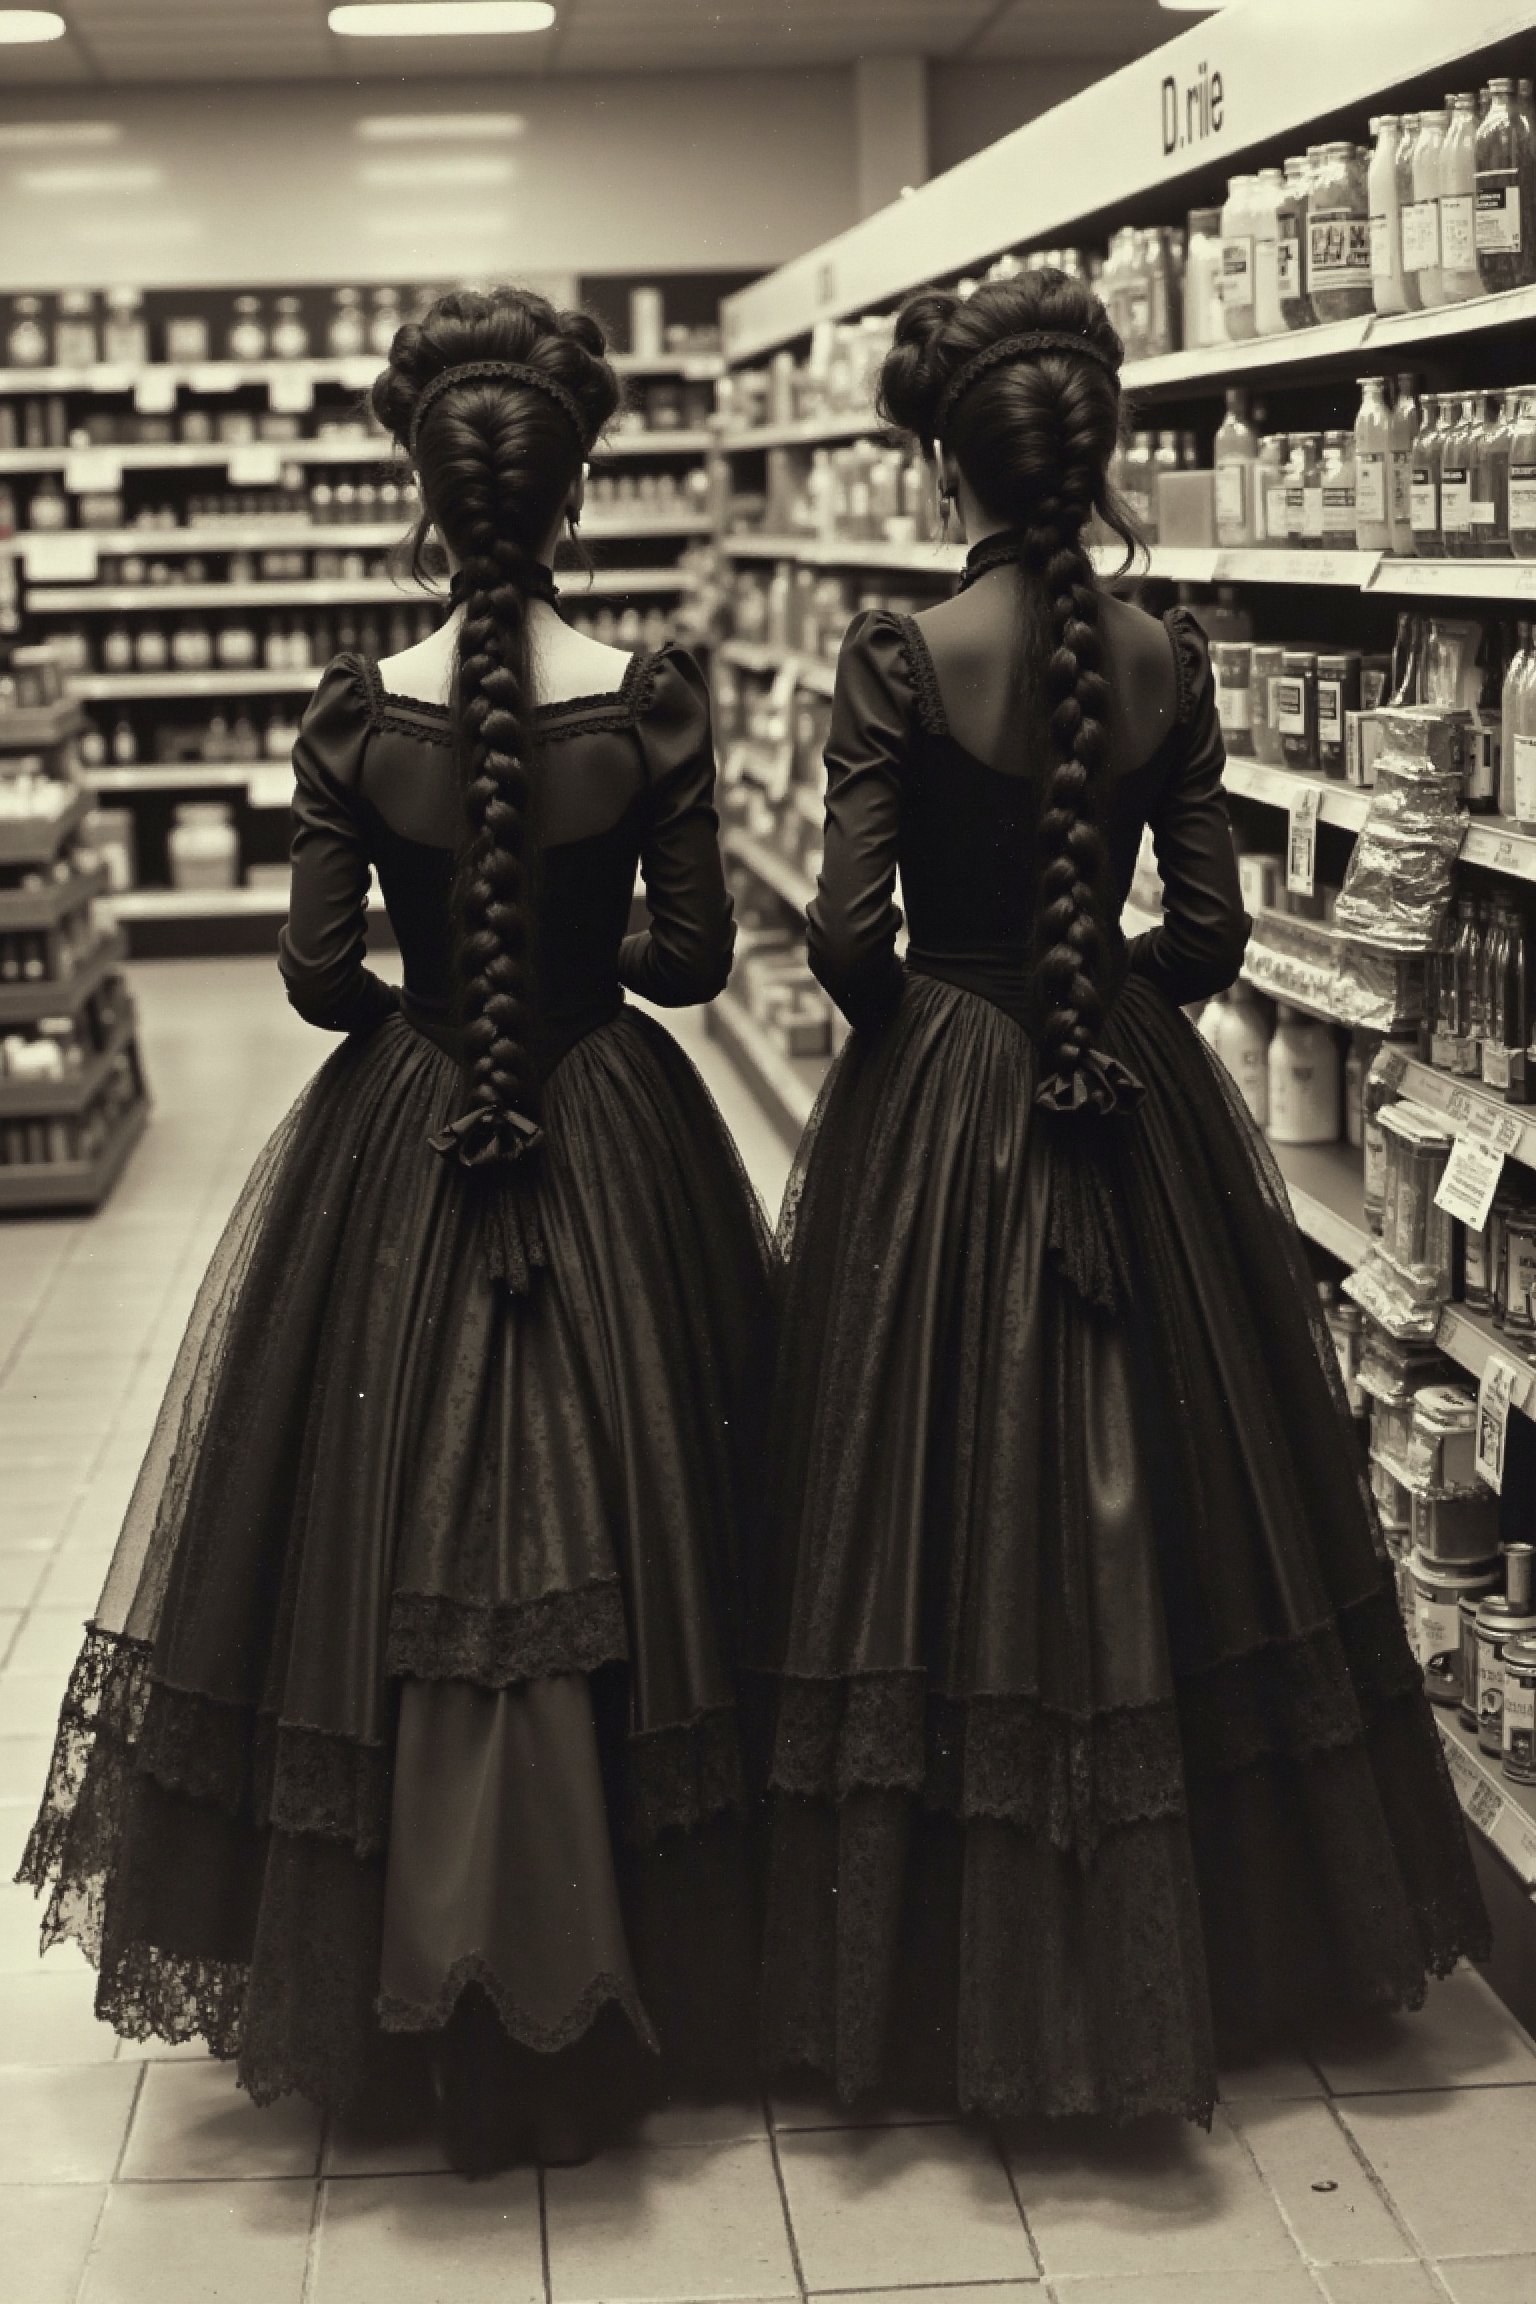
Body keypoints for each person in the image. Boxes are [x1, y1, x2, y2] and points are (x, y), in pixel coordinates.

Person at [19, 287, 773, 2173]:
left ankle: (412, 1984)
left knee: (387, 1525)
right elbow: (691, 963)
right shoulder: (655, 697)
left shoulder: (359, 717)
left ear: (422, 504)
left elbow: (308, 979)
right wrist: (558, 993)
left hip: (414, 1138)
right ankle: (635, 1970)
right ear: (584, 488)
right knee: (655, 1516)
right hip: (613, 1131)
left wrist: (445, 1019)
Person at [752, 272, 1488, 2127]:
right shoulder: (1170, 658)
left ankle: (926, 1958)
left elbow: (849, 934)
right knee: (1187, 1494)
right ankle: (1233, 1939)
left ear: (942, 469)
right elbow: (1219, 936)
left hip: (947, 1081)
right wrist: (1103, 1025)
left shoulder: (899, 660)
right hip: (1128, 1100)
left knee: (923, 1501)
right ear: (1102, 463)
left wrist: (945, 1047)